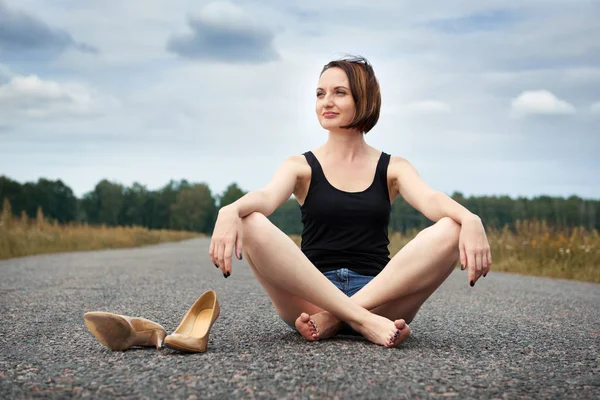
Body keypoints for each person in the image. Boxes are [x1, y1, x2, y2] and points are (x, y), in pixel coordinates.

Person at [209, 55, 492, 348]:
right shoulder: (299, 166)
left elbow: (431, 200)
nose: (326, 102)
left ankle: (339, 318)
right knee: (250, 219)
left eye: (339, 93)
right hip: (311, 298)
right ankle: (361, 320)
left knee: (451, 226)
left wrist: (471, 219)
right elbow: (265, 198)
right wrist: (231, 209)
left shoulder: (394, 167)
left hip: (381, 297)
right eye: (320, 94)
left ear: (364, 99)